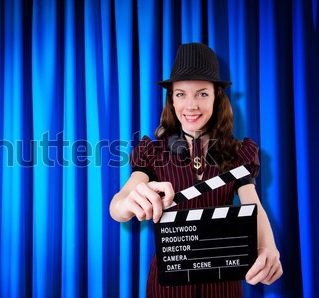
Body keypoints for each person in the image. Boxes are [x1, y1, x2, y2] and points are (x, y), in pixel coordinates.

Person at [109, 43, 283, 297]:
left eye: (202, 94)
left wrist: (268, 246)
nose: (190, 105)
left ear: (216, 97)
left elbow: (252, 204)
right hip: (168, 283)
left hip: (223, 282)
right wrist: (125, 205)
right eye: (181, 94)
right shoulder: (154, 151)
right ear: (172, 99)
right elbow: (120, 202)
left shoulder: (237, 153)